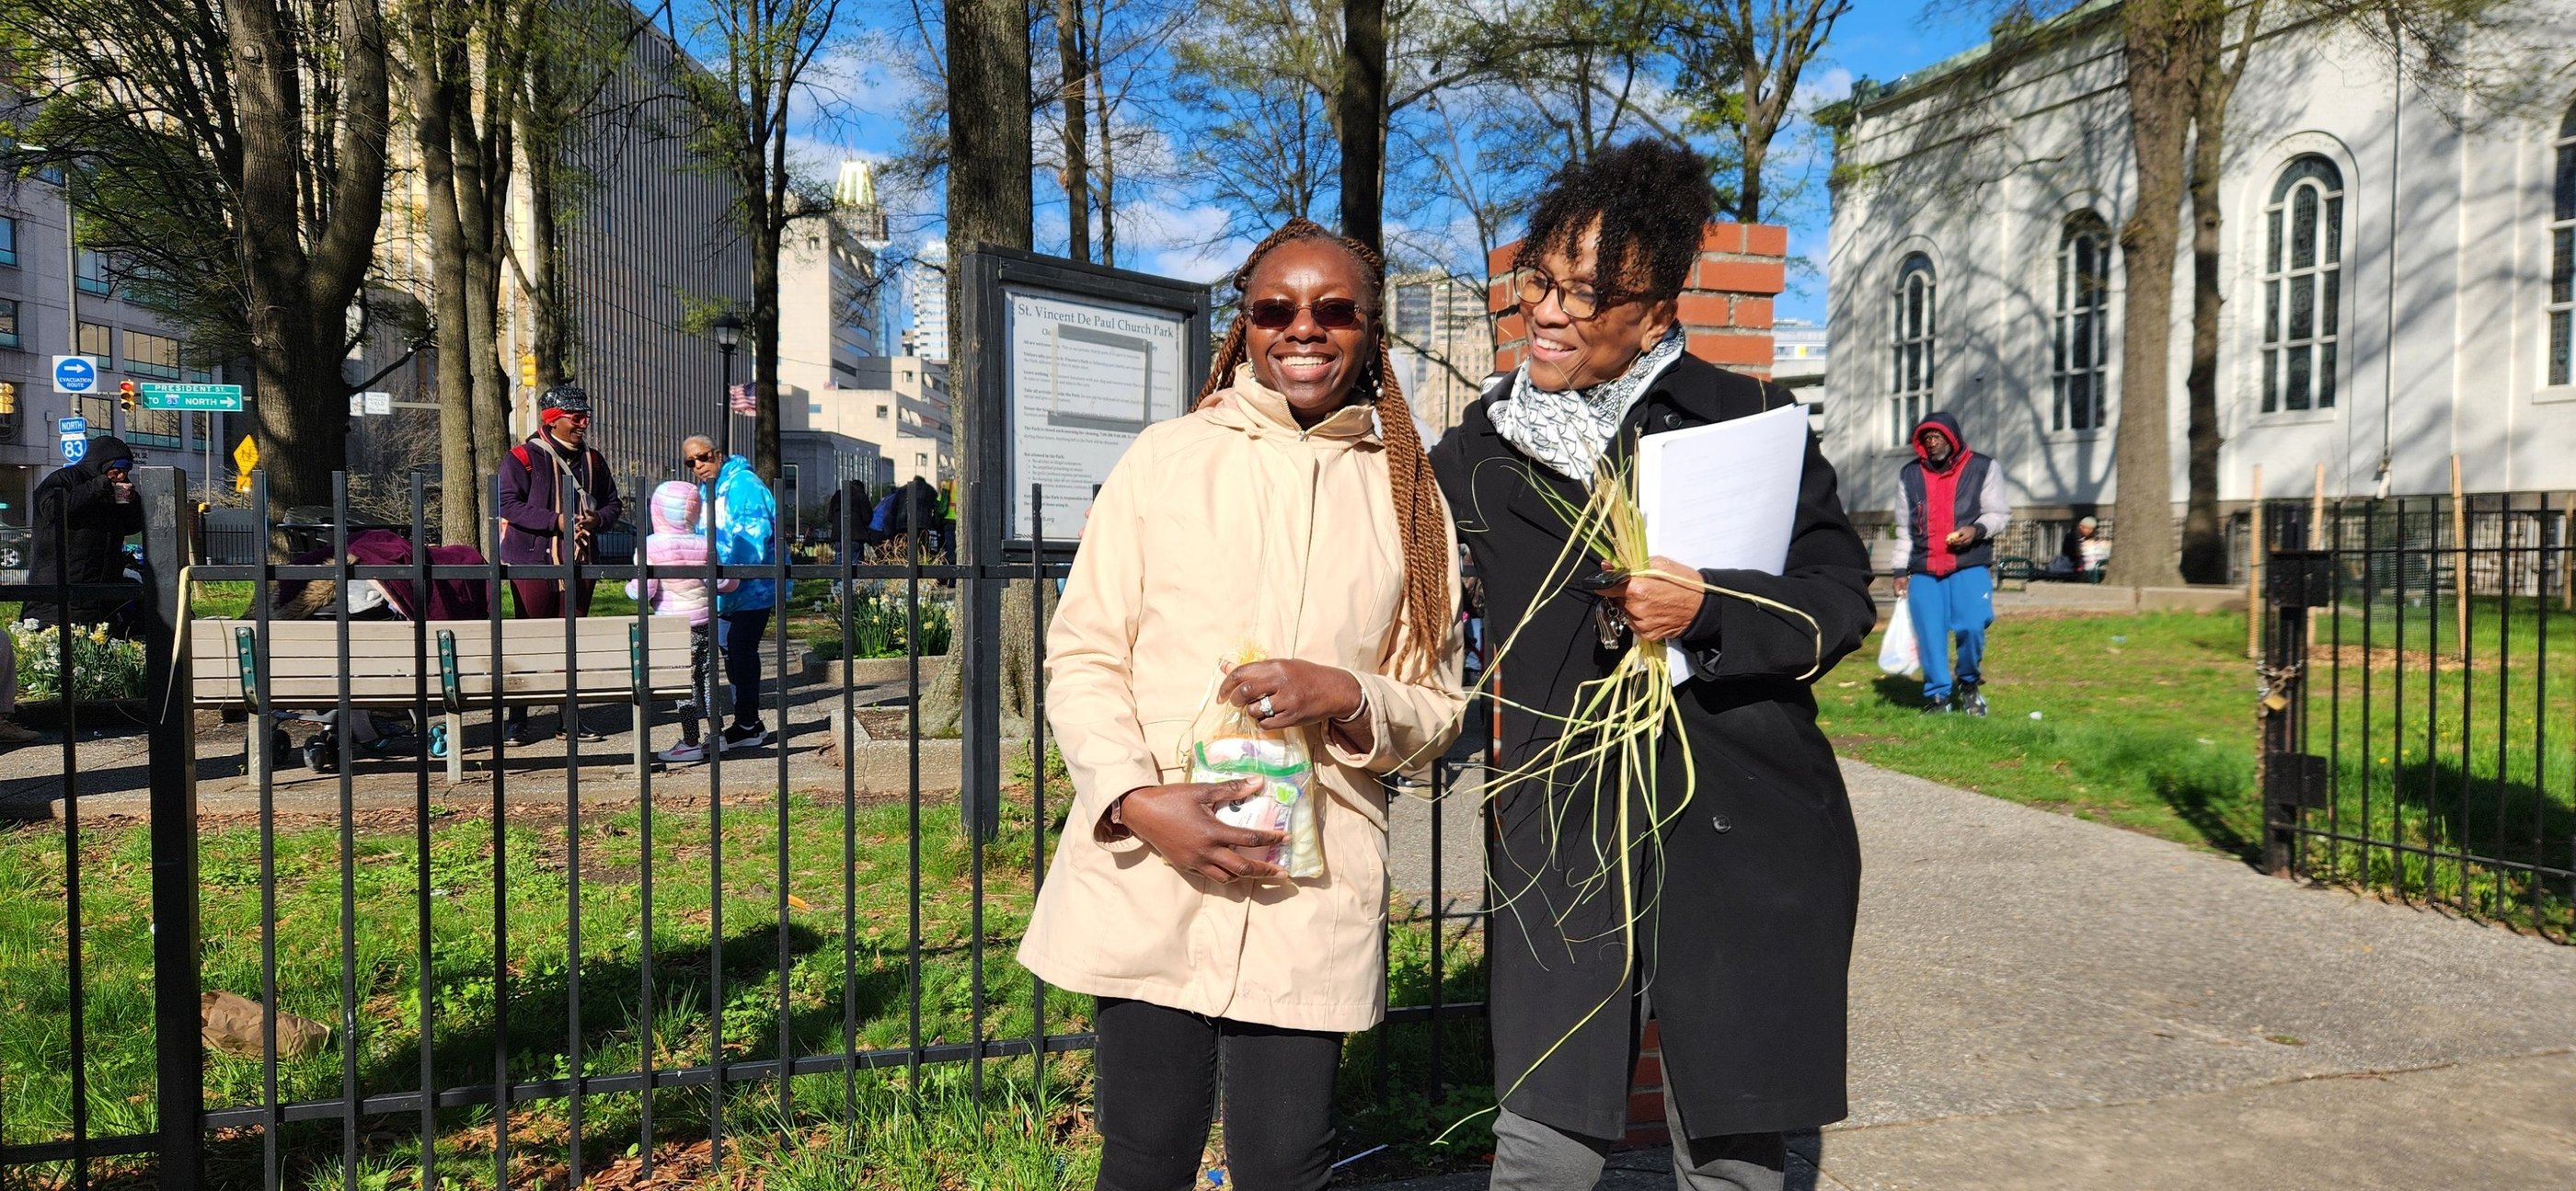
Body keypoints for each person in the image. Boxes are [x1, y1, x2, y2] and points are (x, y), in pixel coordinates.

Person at [1426, 141, 1877, 1191]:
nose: (1546, 309)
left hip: (1740, 811)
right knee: (1543, 1133)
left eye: (1585, 294)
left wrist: (1709, 607)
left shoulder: (1749, 418)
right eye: (1537, 279)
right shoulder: (1472, 457)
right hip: (1562, 819)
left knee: (1735, 1142)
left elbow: (1839, 594)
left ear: (1658, 307)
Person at [1018, 218, 1466, 1191]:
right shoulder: (1165, 459)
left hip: (1310, 873)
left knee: (1284, 1162)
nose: (1303, 328)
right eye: (1276, 308)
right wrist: (1134, 799)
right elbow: (1084, 652)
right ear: (1246, 326)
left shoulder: (1409, 498)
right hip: (1154, 859)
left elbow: (1437, 706)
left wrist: (1348, 693)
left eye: (1334, 308)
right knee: (1144, 1151)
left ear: (1371, 329)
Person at [498, 384, 624, 742]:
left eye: (586, 417)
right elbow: (507, 504)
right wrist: (558, 522)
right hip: (531, 562)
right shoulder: (521, 457)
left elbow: (613, 503)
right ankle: (517, 720)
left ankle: (569, 720)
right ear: (552, 421)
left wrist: (597, 520)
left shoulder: (594, 460)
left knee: (571, 641)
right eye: (577, 418)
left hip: (581, 561)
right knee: (530, 639)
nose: (584, 424)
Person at [1892, 412, 2009, 716]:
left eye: (1937, 437)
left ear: (1953, 437)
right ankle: (1938, 697)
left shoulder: (1983, 467)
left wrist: (1976, 530)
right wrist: (1899, 570)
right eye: (1926, 439)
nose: (1931, 444)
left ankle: (1969, 683)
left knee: (1973, 624)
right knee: (1930, 634)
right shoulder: (1909, 475)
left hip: (1969, 564)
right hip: (1924, 568)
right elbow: (1904, 528)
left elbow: (1999, 513)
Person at [628, 481, 737, 764]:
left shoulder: (651, 546)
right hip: (705, 621)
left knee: (683, 685)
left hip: (673, 627)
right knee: (708, 679)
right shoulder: (704, 543)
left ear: (658, 511)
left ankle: (690, 740)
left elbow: (646, 590)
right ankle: (717, 736)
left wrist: (631, 588)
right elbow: (726, 582)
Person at [683, 434, 778, 751]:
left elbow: (754, 534)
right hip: (723, 589)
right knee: (730, 651)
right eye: (690, 462)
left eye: (703, 457)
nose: (698, 465)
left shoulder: (743, 484)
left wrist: (732, 574)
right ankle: (748, 722)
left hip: (752, 586)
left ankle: (748, 723)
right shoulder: (708, 490)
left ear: (718, 454)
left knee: (740, 649)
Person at [27, 435, 144, 629]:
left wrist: (130, 502)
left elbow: (132, 525)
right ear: (102, 465)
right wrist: (97, 487)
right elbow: (51, 508)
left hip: (101, 593)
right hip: (60, 591)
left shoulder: (114, 489)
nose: (122, 476)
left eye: (126, 471)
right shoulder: (64, 478)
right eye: (118, 470)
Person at [2051, 515, 2105, 579]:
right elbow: (2074, 552)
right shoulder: (2073, 536)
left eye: (2091, 529)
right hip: (2070, 562)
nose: (2089, 531)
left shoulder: (2086, 537)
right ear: (2081, 527)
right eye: (2087, 528)